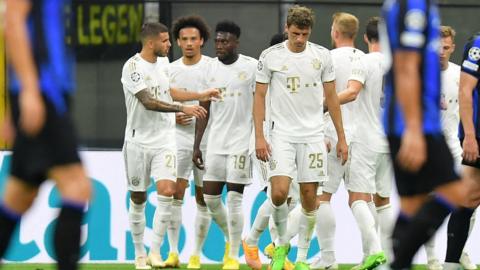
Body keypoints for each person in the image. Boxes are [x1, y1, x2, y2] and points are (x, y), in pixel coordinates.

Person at [246, 5, 348, 270]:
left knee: (309, 199)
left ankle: (299, 257)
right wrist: (260, 136)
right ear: (286, 30)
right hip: (281, 135)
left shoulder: (322, 56)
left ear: (310, 31)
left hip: (313, 135)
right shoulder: (270, 57)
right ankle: (280, 245)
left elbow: (332, 99)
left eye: (304, 34)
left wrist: (341, 137)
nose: (300, 39)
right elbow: (258, 98)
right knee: (279, 194)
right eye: (295, 34)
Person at [0, 1, 91, 270]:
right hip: (43, 93)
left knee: (19, 197)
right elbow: (13, 22)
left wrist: (14, 105)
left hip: (49, 94)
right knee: (77, 186)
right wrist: (29, 90)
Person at [120, 22, 219, 270]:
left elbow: (169, 91)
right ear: (151, 43)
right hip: (137, 141)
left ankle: (155, 251)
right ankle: (140, 254)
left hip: (165, 140)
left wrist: (201, 94)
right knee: (139, 198)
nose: (169, 45)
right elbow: (149, 102)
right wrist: (182, 109)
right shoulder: (132, 68)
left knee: (167, 190)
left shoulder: (163, 63)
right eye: (165, 41)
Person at [381, 1, 470, 269]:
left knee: (411, 205)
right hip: (418, 122)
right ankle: (398, 264)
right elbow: (406, 67)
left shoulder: (420, 6)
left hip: (410, 120)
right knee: (457, 192)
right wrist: (413, 129)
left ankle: (397, 263)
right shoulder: (414, 6)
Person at [192, 20, 257, 270]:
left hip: (241, 141)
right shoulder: (209, 69)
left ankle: (231, 256)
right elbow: (204, 109)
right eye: (217, 41)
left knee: (234, 198)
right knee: (209, 198)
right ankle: (234, 239)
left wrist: (258, 137)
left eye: (225, 41)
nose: (220, 45)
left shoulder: (250, 67)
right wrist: (197, 145)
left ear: (236, 42)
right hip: (216, 142)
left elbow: (261, 103)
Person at [312, 12, 374, 270]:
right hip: (362, 137)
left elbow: (316, 101)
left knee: (321, 198)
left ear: (334, 32)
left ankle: (328, 259)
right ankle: (372, 255)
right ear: (356, 34)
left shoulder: (325, 58)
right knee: (362, 198)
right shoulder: (366, 60)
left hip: (331, 134)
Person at [332, 16, 390, 270]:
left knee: (357, 197)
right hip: (391, 140)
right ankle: (384, 257)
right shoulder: (399, 63)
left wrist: (324, 104)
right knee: (383, 199)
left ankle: (376, 251)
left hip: (366, 139)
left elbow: (352, 91)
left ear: (366, 38)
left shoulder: (364, 62)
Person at [164, 15, 213, 269]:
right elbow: (157, 106)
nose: (190, 43)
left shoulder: (212, 67)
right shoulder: (170, 70)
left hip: (207, 141)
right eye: (185, 39)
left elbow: (220, 103)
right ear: (178, 42)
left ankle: (195, 255)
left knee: (203, 198)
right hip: (179, 139)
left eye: (194, 38)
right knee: (175, 194)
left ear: (202, 40)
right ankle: (173, 252)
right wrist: (174, 117)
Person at [449, 31, 480, 270]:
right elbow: (465, 90)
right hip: (478, 135)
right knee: (468, 198)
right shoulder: (477, 46)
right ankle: (450, 263)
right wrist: (469, 135)